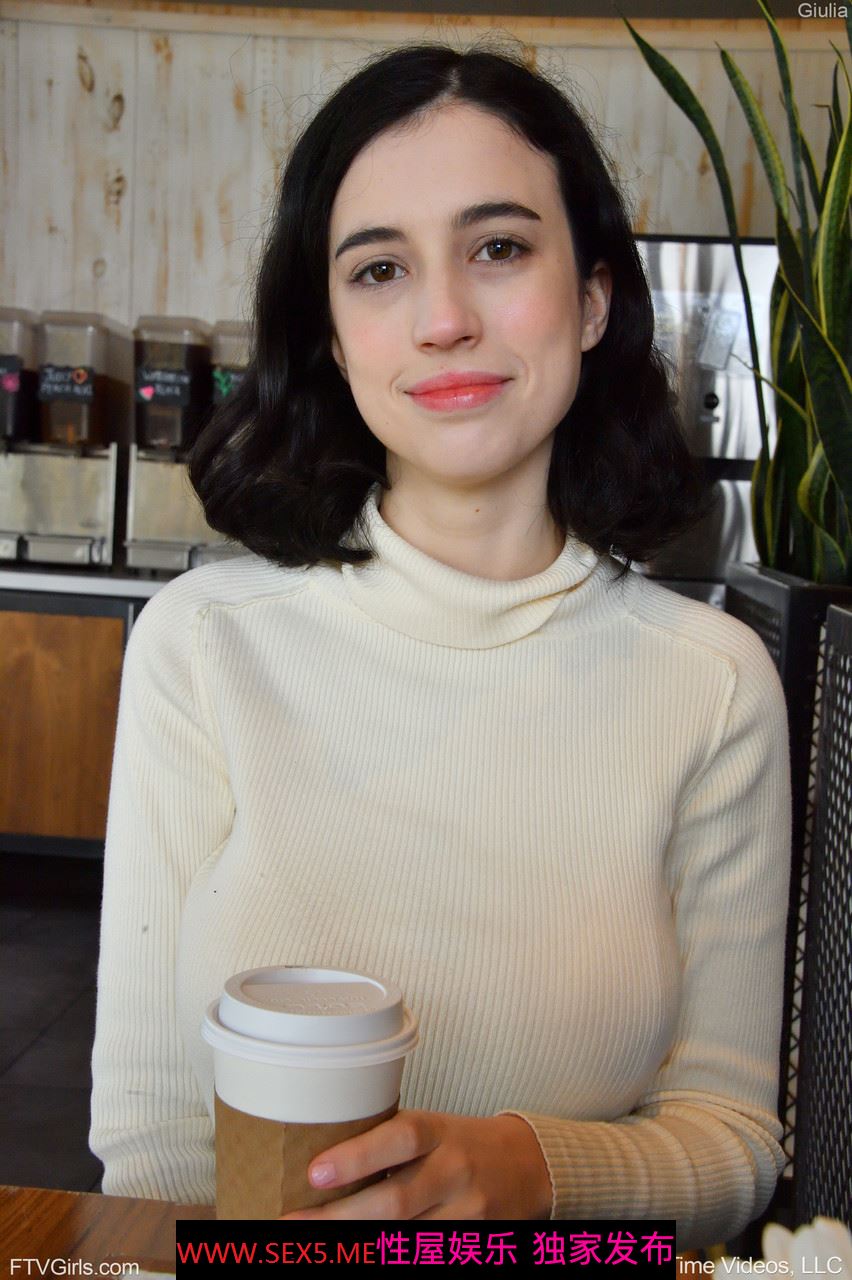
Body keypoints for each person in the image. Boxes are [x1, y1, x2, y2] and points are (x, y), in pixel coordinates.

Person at [88, 41, 792, 1246]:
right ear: (330, 332)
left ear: (593, 299)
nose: (445, 319)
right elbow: (152, 1147)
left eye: (499, 248)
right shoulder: (202, 647)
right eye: (379, 269)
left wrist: (533, 1170)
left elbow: (734, 1148)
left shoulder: (713, 684)